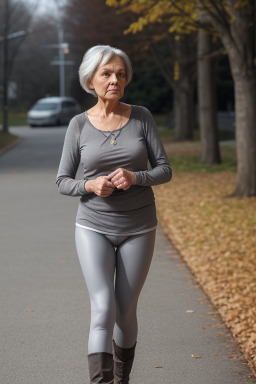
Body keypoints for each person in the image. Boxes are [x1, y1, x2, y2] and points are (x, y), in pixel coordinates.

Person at [56, 45, 172, 384]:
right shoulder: (78, 125)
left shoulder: (142, 117)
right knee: (103, 307)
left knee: (124, 313)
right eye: (107, 73)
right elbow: (62, 181)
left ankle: (122, 378)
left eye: (121, 74)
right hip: (93, 226)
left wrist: (137, 177)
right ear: (90, 80)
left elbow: (165, 170)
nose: (114, 80)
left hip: (139, 226)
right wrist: (89, 186)